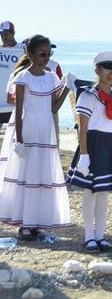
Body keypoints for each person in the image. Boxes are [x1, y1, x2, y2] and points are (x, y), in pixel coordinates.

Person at [0, 34, 71, 240]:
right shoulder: (23, 77)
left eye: (49, 53)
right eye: (42, 53)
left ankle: (39, 222)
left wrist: (67, 86)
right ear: (30, 55)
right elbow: (20, 110)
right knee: (26, 175)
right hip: (29, 129)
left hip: (45, 129)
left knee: (42, 176)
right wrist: (19, 140)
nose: (46, 57)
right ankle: (25, 224)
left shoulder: (51, 77)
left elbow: (54, 108)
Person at [66, 52, 112, 252]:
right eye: (108, 69)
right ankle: (89, 237)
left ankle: (100, 236)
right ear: (98, 70)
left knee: (103, 192)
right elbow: (83, 127)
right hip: (94, 145)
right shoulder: (87, 95)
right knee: (90, 192)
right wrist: (84, 155)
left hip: (111, 144)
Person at [0, 23, 25, 126]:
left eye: (6, 34)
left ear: (13, 33)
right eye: (1, 34)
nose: (3, 37)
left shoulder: (22, 50)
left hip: (14, 104)